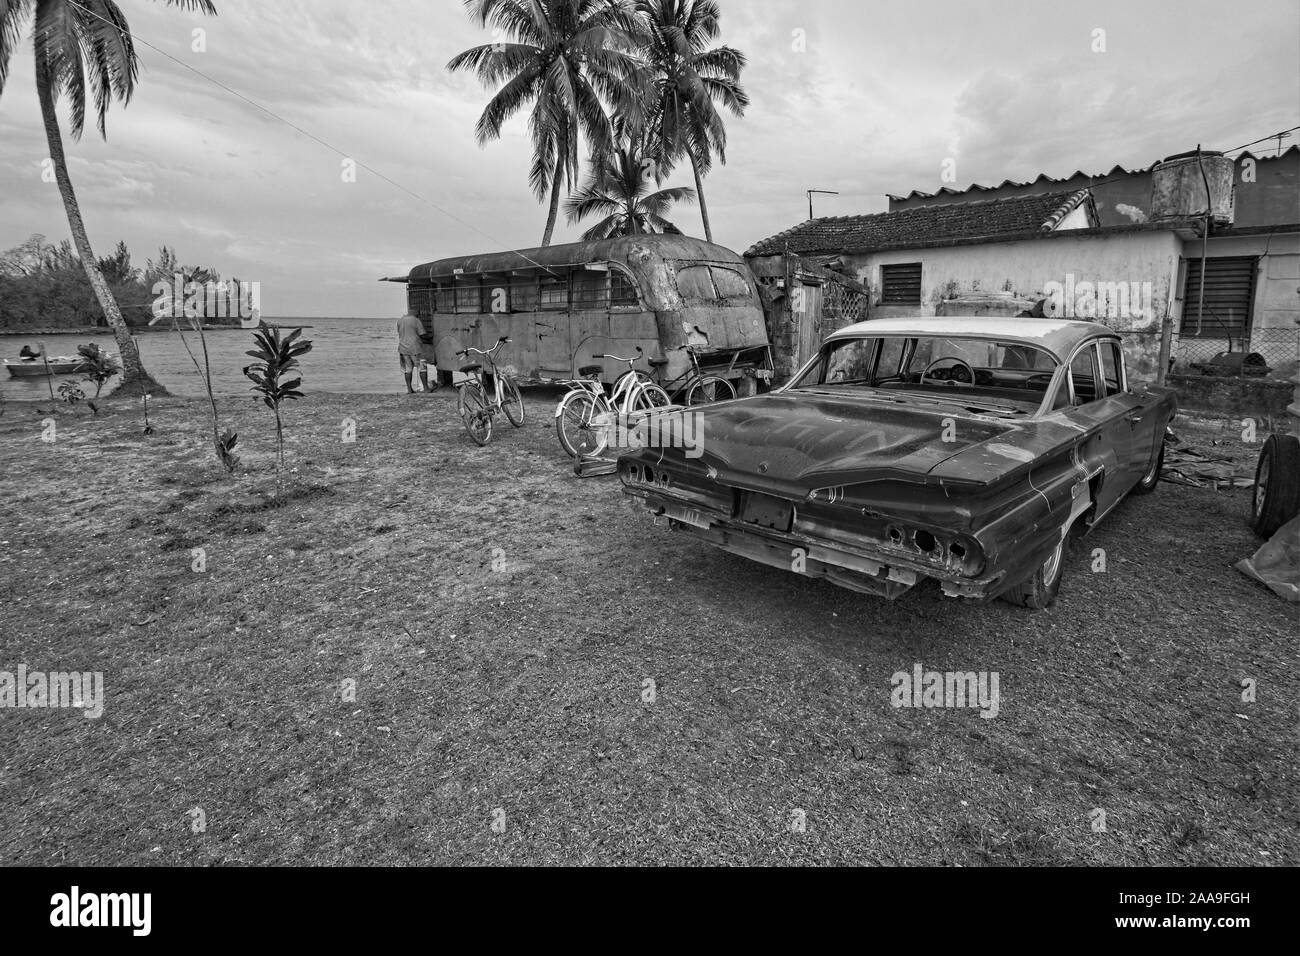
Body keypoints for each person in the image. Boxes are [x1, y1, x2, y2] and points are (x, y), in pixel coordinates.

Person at [396, 313, 437, 393]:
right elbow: (422, 335)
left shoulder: (400, 320)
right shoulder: (416, 320)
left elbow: (400, 333)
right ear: (416, 313)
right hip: (415, 348)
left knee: (408, 369)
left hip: (403, 348)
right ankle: (426, 389)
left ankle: (409, 389)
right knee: (422, 367)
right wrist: (431, 337)